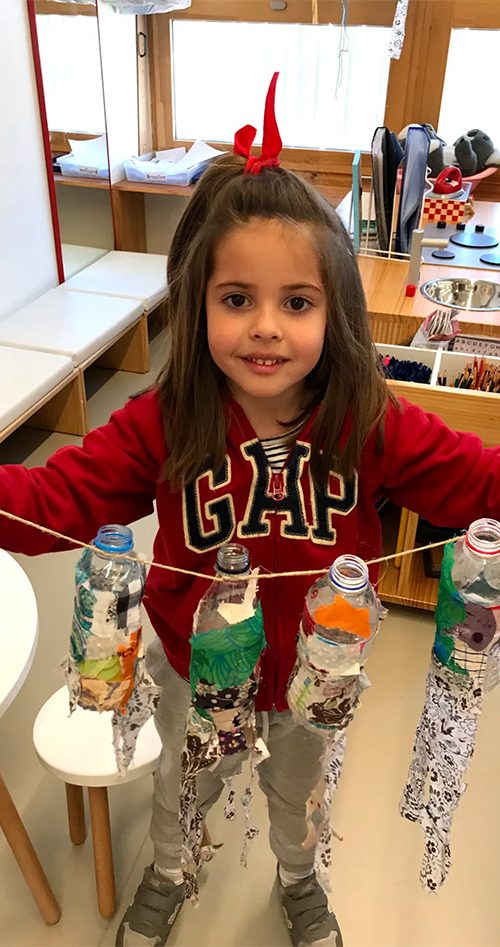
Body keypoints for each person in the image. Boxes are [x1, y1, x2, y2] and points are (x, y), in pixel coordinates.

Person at [0, 75, 499, 947]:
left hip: (317, 676)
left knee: (298, 798)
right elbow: (53, 500)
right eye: (237, 300)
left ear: (334, 310)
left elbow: (475, 477)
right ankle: (169, 870)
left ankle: (299, 880)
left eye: (296, 303)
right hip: (192, 670)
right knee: (181, 788)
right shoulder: (163, 420)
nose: (266, 327)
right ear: (197, 303)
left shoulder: (368, 418)